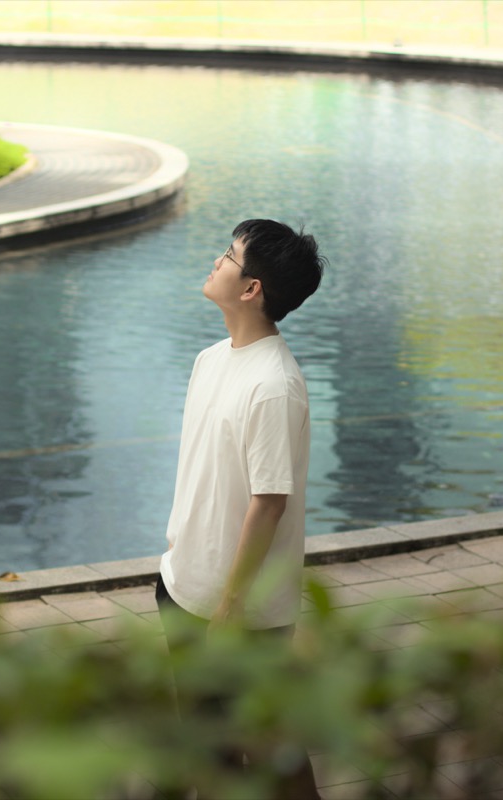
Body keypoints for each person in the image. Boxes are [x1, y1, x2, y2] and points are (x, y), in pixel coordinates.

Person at [156, 218, 325, 799]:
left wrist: (230, 604)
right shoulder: (212, 359)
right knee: (211, 745)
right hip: (183, 587)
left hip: (241, 608)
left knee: (271, 745)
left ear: (251, 288)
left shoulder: (274, 385)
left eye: (228, 256)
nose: (217, 262)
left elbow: (268, 503)